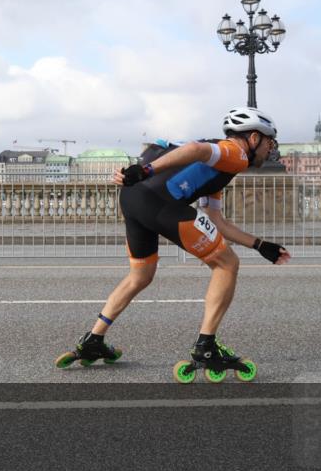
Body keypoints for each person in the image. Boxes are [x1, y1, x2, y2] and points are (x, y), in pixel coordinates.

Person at [55, 107, 291, 382]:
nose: (270, 150)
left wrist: (260, 245)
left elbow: (217, 220)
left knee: (140, 276)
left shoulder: (220, 167)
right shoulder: (235, 153)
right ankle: (206, 346)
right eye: (269, 142)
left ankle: (93, 339)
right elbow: (195, 149)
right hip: (158, 202)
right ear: (253, 138)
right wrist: (145, 170)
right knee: (227, 264)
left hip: (134, 200)